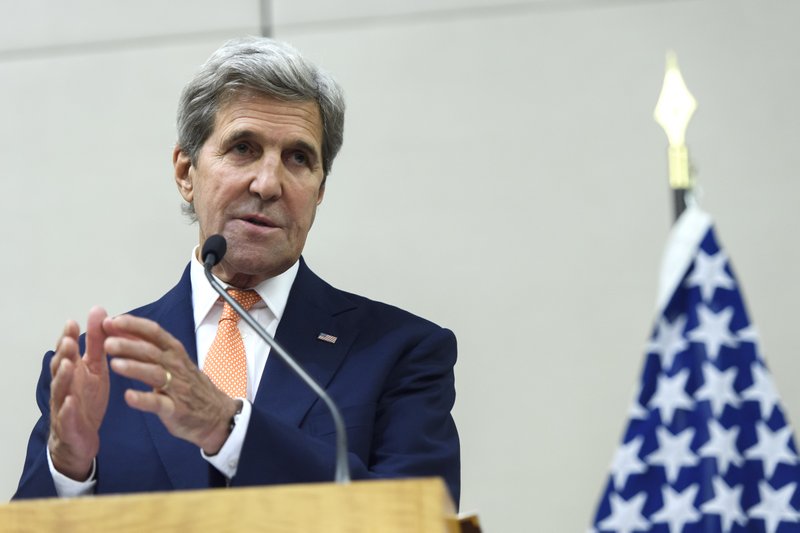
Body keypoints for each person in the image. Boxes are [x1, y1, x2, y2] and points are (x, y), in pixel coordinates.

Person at [14, 36, 460, 505]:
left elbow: (417, 516)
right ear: (186, 172)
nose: (268, 184)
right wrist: (68, 470)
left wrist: (229, 429)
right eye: (243, 148)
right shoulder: (102, 367)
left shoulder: (400, 353)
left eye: (298, 158)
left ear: (320, 190)